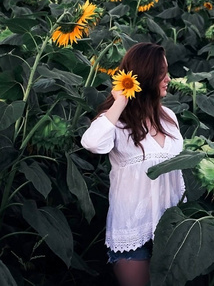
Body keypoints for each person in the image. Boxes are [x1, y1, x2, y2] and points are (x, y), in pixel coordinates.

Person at [81, 42, 185, 286]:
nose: (168, 78)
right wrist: (120, 101)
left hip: (171, 231)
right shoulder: (117, 122)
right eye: (161, 73)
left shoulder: (169, 117)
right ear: (146, 76)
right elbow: (92, 143)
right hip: (133, 229)